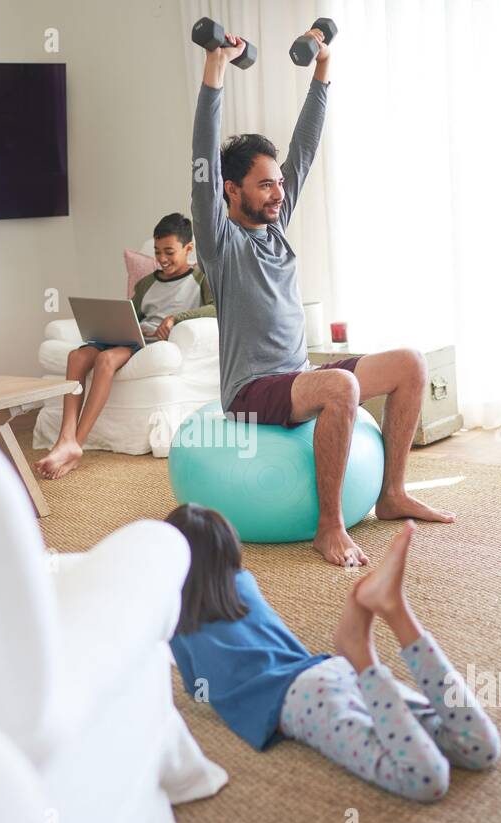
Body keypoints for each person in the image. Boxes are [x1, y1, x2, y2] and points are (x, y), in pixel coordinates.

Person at [191, 27, 455, 567]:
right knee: (341, 386)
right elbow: (202, 157)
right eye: (265, 184)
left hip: (295, 375)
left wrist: (323, 68)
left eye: (278, 183)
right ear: (230, 189)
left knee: (410, 363)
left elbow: (304, 148)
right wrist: (214, 70)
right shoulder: (221, 243)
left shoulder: (276, 222)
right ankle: (328, 526)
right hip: (252, 392)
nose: (278, 191)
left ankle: (391, 494)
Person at [165, 504, 501, 802]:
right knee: (481, 748)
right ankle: (398, 616)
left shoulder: (175, 616)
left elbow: (197, 690)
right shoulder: (244, 584)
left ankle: (363, 653)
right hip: (334, 671)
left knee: (425, 778)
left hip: (304, 701)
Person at [35, 213, 215, 480]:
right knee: (76, 356)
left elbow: (215, 309)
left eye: (169, 252)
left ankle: (77, 444)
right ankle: (65, 437)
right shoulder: (147, 283)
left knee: (105, 361)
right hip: (129, 335)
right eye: (157, 252)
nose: (162, 259)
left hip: (149, 342)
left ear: (188, 249)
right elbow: (132, 315)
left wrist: (176, 318)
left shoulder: (200, 279)